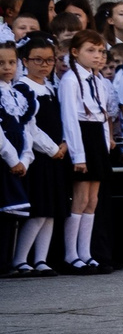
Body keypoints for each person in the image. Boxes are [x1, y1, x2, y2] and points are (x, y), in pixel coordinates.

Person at [56, 29, 118, 273]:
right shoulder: (70, 80)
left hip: (96, 138)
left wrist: (104, 145)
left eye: (100, 51)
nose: (97, 56)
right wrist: (78, 155)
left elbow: (102, 116)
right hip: (81, 138)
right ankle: (71, 255)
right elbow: (70, 118)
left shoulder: (98, 80)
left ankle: (86, 252)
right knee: (80, 199)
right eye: (90, 51)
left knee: (93, 200)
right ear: (75, 52)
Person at [2, 43, 61, 274]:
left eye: (49, 60)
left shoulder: (38, 90)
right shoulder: (21, 90)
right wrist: (50, 148)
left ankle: (40, 260)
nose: (44, 65)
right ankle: (17, 259)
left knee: (50, 210)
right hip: (24, 159)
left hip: (42, 157)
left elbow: (37, 127)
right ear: (25, 62)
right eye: (38, 60)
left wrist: (59, 146)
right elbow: (17, 131)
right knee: (32, 210)